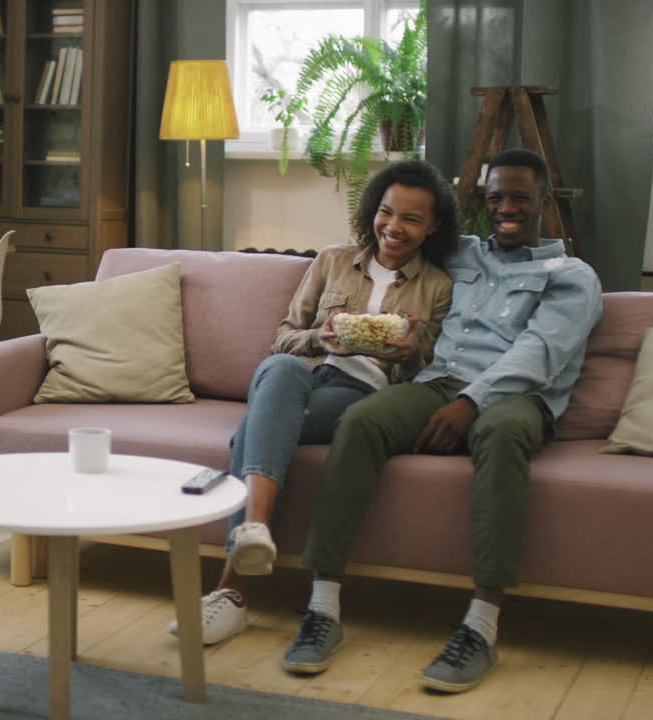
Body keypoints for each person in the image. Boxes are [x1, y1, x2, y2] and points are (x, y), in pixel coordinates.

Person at [282, 148, 603, 691]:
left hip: (516, 398)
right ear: (481, 201)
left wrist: (472, 403)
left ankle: (480, 627)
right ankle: (323, 610)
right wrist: (337, 316)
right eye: (495, 196)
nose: (506, 208)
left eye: (520, 198)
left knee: (501, 437)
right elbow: (391, 240)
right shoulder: (461, 255)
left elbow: (540, 353)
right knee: (361, 420)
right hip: (436, 385)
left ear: (543, 202)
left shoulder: (571, 276)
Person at [166, 160, 458, 646]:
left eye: (411, 218)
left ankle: (229, 592)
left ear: (433, 226)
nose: (394, 227)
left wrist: (410, 353)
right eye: (387, 212)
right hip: (300, 373)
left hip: (357, 391)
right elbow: (282, 337)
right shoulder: (332, 260)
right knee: (278, 371)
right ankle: (255, 529)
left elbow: (428, 377)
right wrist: (319, 338)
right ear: (372, 213)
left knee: (254, 433)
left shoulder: (438, 287)